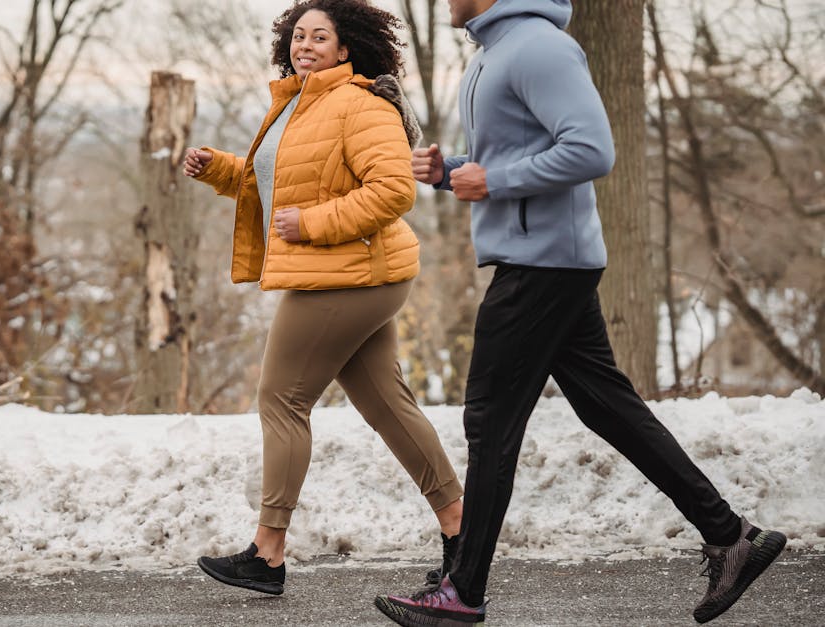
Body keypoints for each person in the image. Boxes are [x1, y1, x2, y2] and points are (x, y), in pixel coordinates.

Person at [373, 0, 787, 624]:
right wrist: (451, 171)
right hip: (539, 257)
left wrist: (494, 181)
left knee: (489, 421)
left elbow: (592, 150)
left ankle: (461, 592)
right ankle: (732, 537)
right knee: (606, 407)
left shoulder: (540, 46)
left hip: (543, 264)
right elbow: (514, 158)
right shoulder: (494, 52)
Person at [183, 0, 465, 597]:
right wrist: (218, 169)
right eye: (297, 34)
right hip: (353, 273)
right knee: (386, 403)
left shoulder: (361, 104)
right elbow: (277, 184)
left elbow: (392, 192)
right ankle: (460, 527)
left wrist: (309, 225)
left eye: (320, 36)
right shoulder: (296, 103)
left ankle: (267, 554)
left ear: (346, 48)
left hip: (350, 274)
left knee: (281, 398)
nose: (304, 44)